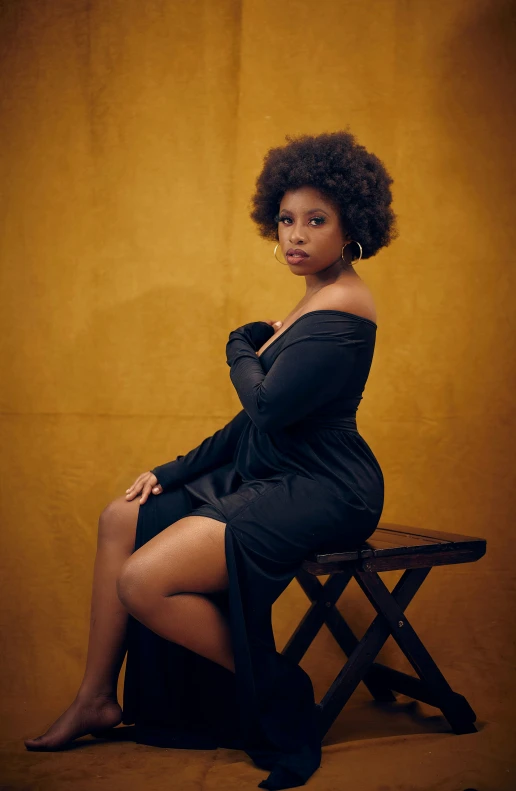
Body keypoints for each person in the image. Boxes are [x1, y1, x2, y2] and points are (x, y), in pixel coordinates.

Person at [24, 130, 398, 790]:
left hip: (326, 486)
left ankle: (280, 684)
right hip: (277, 469)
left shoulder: (345, 303)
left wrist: (236, 346)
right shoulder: (315, 293)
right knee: (122, 515)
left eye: (317, 220)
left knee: (143, 580)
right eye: (286, 219)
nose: (296, 235)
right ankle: (95, 697)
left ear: (352, 225)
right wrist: (170, 470)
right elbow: (248, 421)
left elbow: (266, 407)